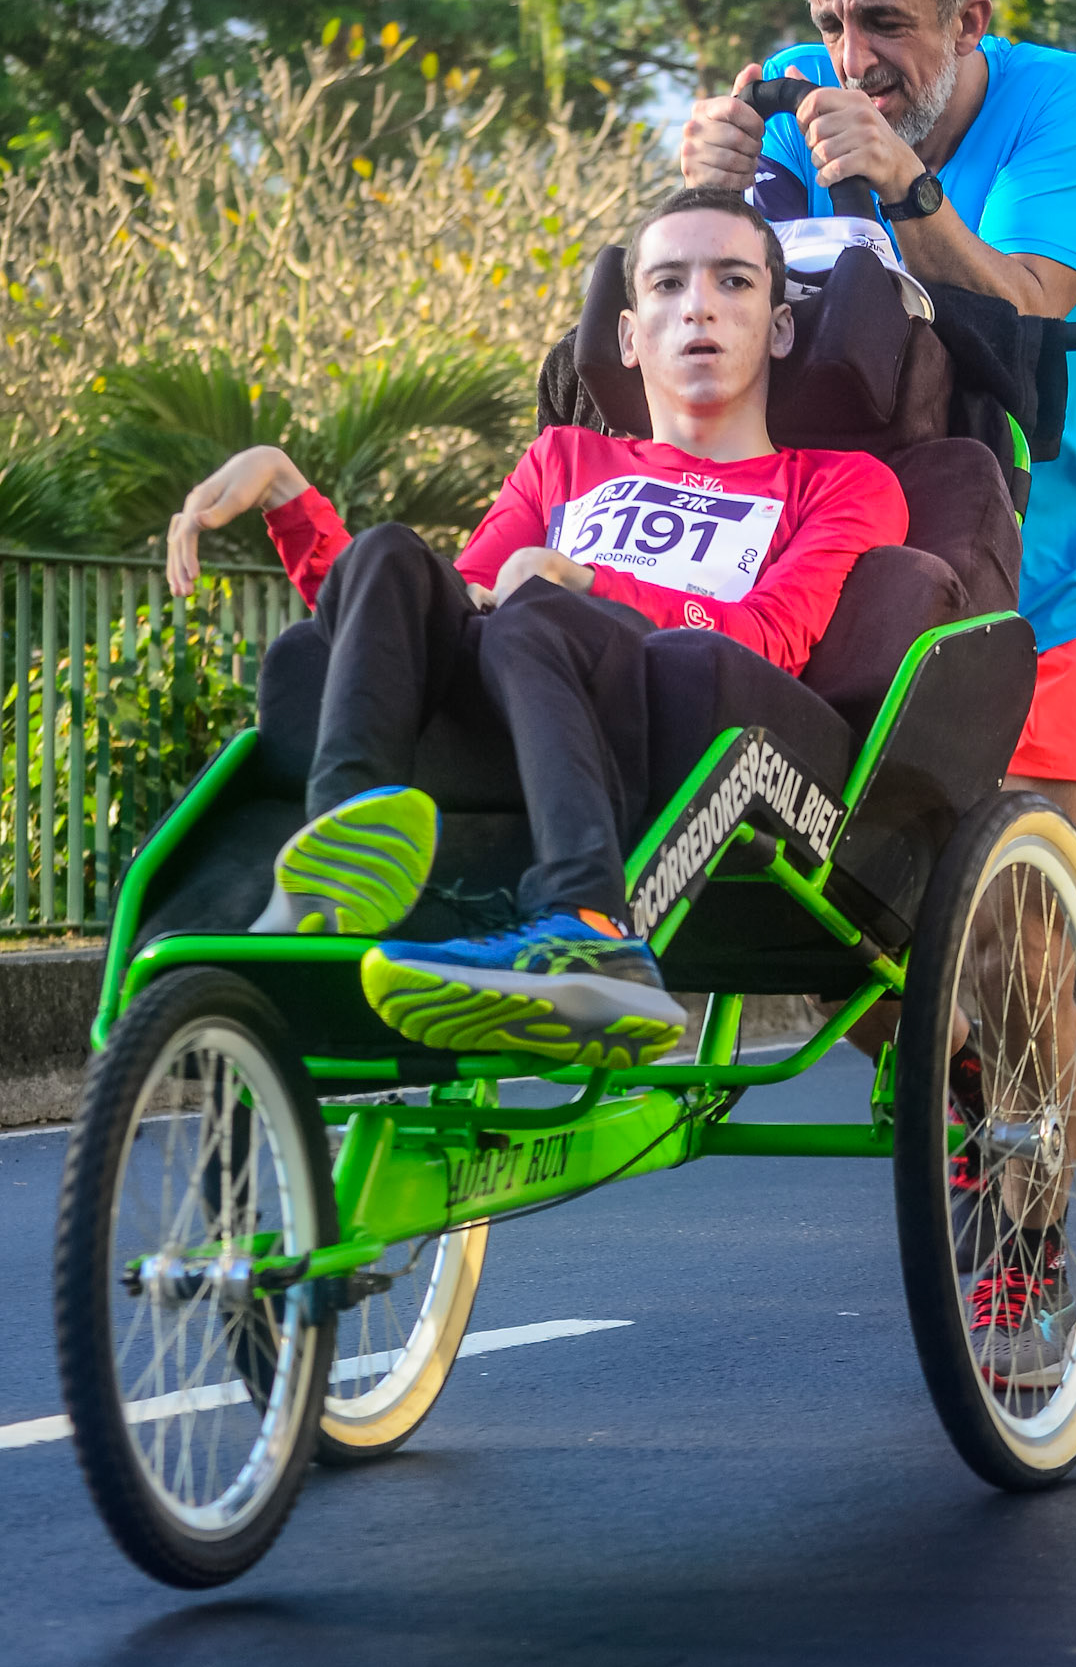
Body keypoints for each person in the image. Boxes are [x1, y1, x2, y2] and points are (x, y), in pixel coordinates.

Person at [681, 0, 1076, 1385]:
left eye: (882, 22)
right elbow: (700, 324)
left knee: (1019, 939)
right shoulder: (796, 119)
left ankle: (1027, 1229)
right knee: (879, 939)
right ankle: (970, 1122)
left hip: (1071, 574)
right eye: (829, 24)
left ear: (968, 16)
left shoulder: (1060, 103)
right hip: (896, 578)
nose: (851, 57)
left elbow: (1026, 290)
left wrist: (905, 185)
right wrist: (697, 186)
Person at [165, 187, 914, 1069]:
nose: (700, 305)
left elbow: (768, 639)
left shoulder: (838, 482)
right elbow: (436, 611)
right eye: (668, 284)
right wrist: (292, 499)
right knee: (395, 556)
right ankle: (340, 861)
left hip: (666, 706)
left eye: (734, 282)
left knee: (534, 616)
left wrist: (589, 582)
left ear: (780, 328)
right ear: (629, 338)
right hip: (509, 702)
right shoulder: (563, 457)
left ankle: (589, 922)